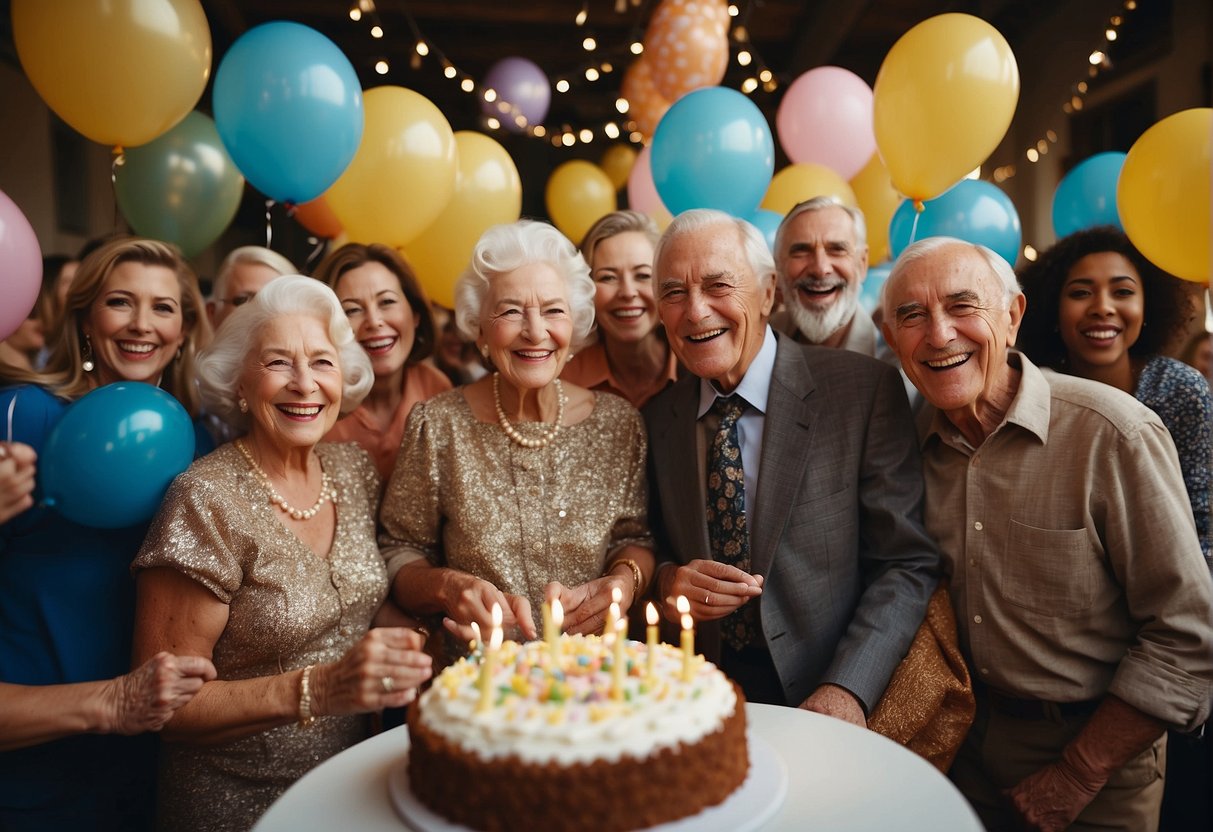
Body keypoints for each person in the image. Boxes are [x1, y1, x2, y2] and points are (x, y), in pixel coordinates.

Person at [880, 236, 1213, 832]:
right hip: (964, 745)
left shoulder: (1114, 433)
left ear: (1012, 316)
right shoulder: (904, 442)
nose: (937, 334)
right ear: (889, 335)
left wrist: (1078, 775)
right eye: (912, 315)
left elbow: (1190, 634)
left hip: (1100, 761)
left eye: (963, 306)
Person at [130, 276, 433, 832]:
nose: (304, 384)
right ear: (239, 385)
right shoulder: (203, 498)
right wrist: (321, 687)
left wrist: (434, 633)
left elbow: (358, 610)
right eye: (277, 364)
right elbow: (167, 707)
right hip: (235, 805)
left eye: (321, 362)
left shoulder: (354, 472)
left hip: (353, 790)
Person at [644, 208, 938, 718]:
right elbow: (655, 543)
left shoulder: (862, 391)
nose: (694, 312)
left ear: (767, 292)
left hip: (824, 691)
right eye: (674, 293)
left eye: (718, 285)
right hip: (697, 697)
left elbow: (905, 564)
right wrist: (669, 579)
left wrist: (848, 688)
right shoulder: (658, 416)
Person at [0, 237, 214, 830]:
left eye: (163, 308)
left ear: (183, 331)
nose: (142, 324)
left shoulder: (199, 447)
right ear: (87, 320)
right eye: (121, 302)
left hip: (147, 768)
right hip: (27, 762)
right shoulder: (21, 417)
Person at [379, 220, 656, 652]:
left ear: (576, 324)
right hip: (481, 683)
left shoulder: (618, 423)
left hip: (599, 675)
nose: (535, 331)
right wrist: (448, 586)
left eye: (553, 310)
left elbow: (634, 538)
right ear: (480, 331)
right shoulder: (438, 425)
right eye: (510, 311)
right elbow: (399, 551)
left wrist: (623, 581)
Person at [1017, 226, 1211, 560]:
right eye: (1080, 293)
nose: (1102, 307)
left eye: (1122, 292)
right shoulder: (1031, 392)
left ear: (1148, 304)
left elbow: (1202, 525)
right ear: (1052, 308)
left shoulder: (1181, 390)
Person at [314, 243, 451, 481]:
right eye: (352, 310)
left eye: (387, 302)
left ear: (415, 314)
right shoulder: (314, 402)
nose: (374, 321)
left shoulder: (436, 389)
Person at [561, 210, 679, 408]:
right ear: (585, 289)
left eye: (642, 275)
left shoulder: (697, 371)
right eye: (608, 277)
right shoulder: (563, 379)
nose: (627, 292)